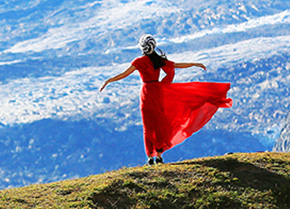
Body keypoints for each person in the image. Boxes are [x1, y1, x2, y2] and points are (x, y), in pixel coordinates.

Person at [99, 34, 232, 165]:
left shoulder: (139, 61)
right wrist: (193, 64)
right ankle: (159, 155)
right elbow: (176, 65)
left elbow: (124, 74)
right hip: (158, 92)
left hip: (147, 94)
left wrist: (109, 80)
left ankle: (150, 156)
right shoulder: (157, 60)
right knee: (159, 122)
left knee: (148, 124)